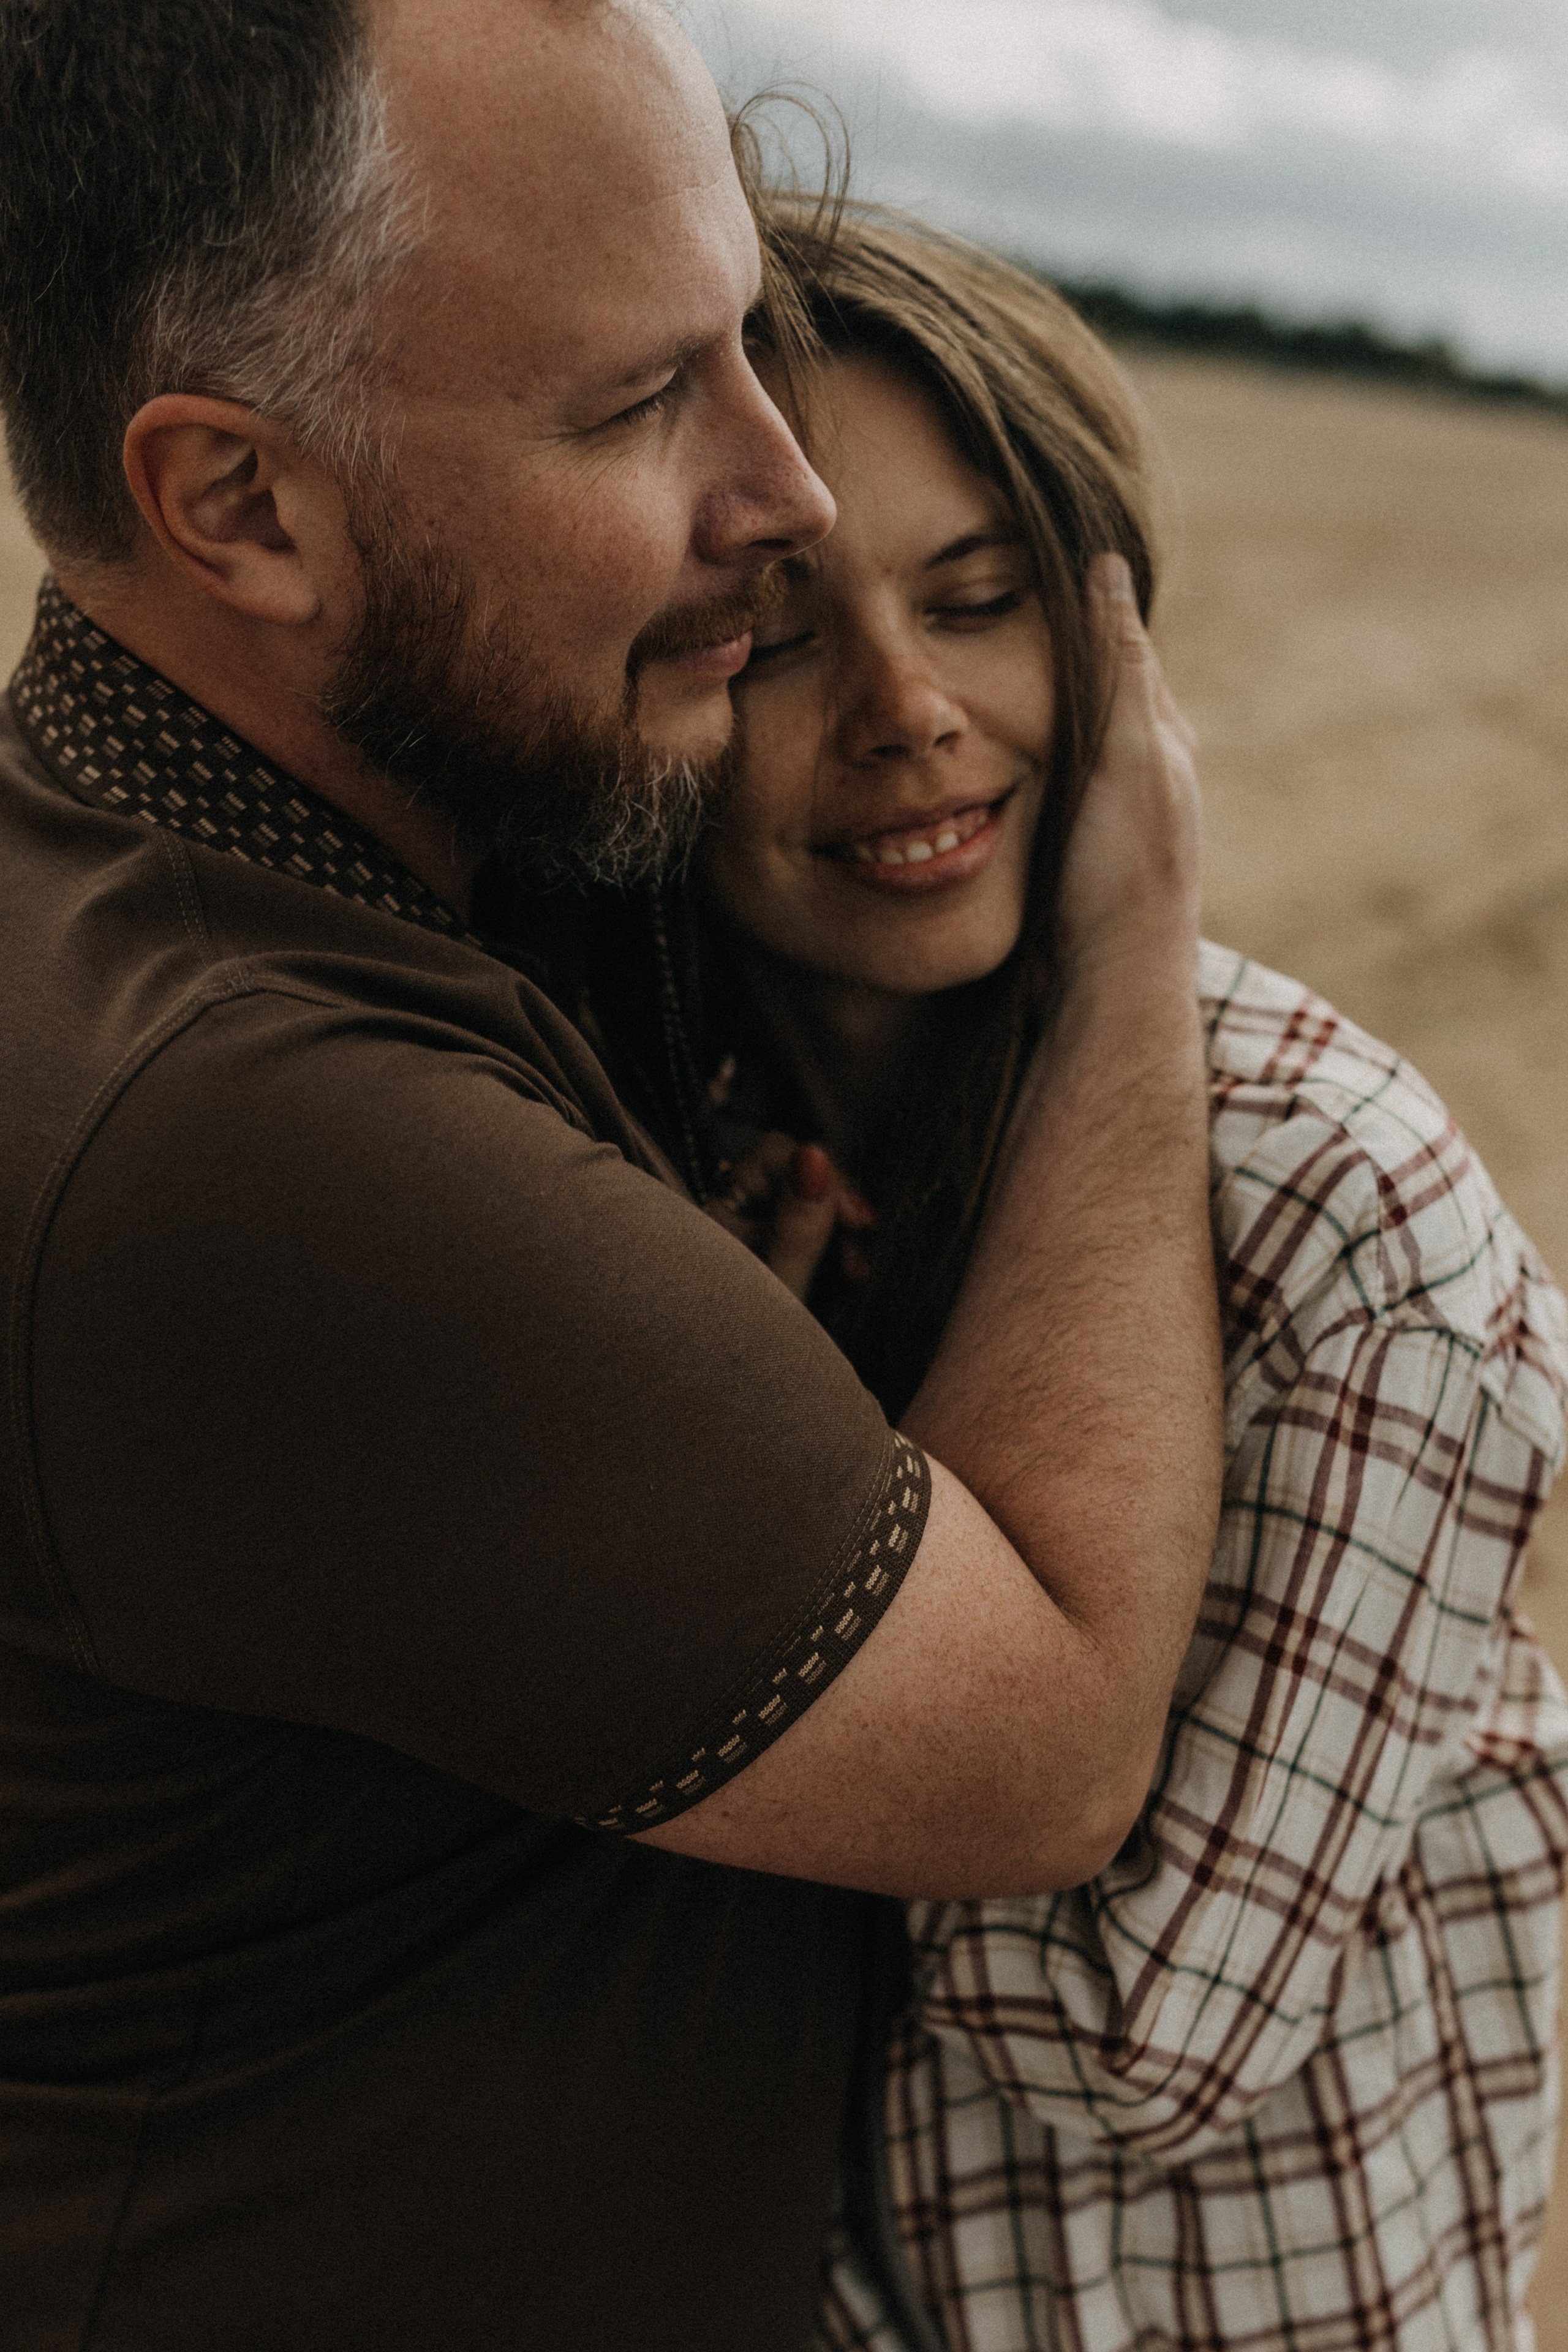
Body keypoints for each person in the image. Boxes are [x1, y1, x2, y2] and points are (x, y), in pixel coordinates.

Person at [0, 5, 1224, 2345]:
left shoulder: (177, 863)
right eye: (643, 400)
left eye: (747, 350)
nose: (783, 497)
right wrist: (1132, 952)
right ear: (238, 505)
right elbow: (1048, 1740)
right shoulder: (259, 1136)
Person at [637, 198, 1568, 2350]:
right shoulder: (642, 1176)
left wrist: (1135, 958)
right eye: (778, 636)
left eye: (982, 603)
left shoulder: (1346, 1228)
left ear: (1111, 637)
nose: (907, 714)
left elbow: (1125, 2030)